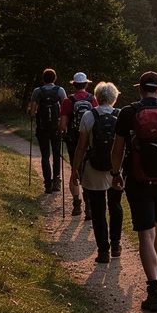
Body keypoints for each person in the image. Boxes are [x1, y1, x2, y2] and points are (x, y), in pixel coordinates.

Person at [111, 71, 157, 312]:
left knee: (145, 234)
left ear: (140, 90)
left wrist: (115, 174)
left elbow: (118, 149)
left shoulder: (128, 113)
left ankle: (153, 287)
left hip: (137, 180)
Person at [69, 81, 124, 264]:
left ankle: (103, 251)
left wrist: (75, 168)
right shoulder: (120, 115)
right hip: (115, 168)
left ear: (97, 97)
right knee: (115, 206)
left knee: (98, 210)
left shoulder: (88, 116)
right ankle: (116, 244)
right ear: (114, 98)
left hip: (93, 169)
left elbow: (82, 146)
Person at [60, 72, 98, 217]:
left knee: (75, 170)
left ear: (74, 84)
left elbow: (63, 125)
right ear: (86, 84)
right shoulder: (92, 99)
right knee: (87, 172)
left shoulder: (68, 101)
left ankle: (77, 205)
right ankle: (89, 207)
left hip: (73, 142)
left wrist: (62, 132)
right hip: (89, 141)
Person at [28, 68, 66, 194]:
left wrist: (32, 112)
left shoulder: (37, 91)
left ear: (43, 79)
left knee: (45, 155)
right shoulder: (60, 91)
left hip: (42, 129)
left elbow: (32, 113)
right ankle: (56, 181)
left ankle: (47, 184)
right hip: (56, 129)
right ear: (54, 79)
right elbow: (65, 111)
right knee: (56, 154)